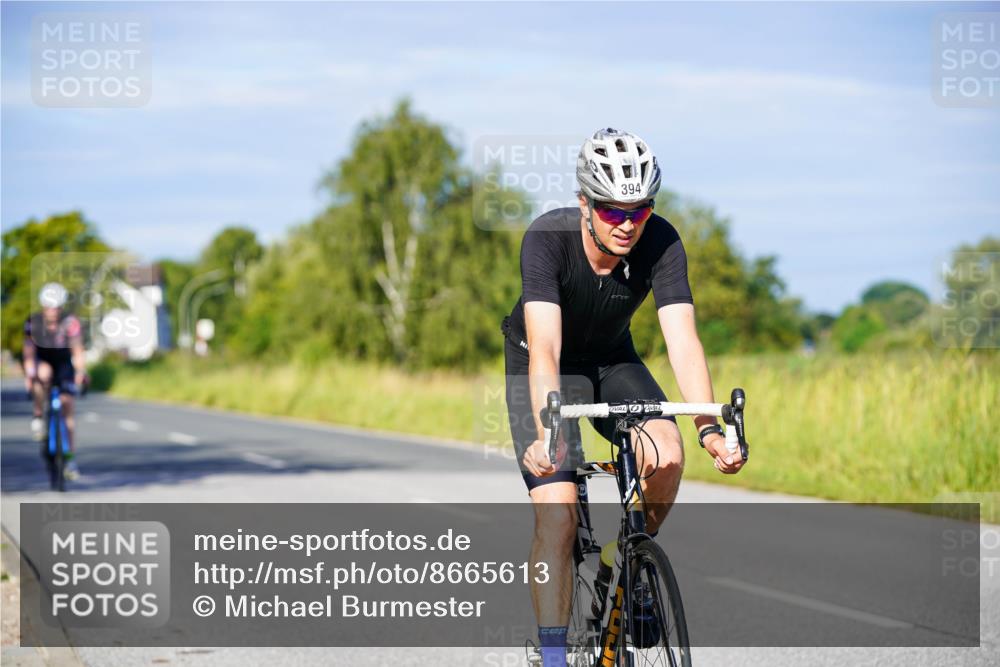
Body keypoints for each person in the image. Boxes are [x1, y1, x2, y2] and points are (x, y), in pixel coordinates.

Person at [502, 128, 746, 666]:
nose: (628, 224)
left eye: (640, 210)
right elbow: (546, 347)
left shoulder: (662, 241)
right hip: (542, 365)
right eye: (612, 210)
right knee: (558, 517)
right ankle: (553, 657)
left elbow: (683, 341)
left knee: (668, 454)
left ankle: (627, 560)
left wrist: (708, 429)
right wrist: (546, 434)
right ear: (584, 203)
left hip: (612, 360)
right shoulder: (547, 239)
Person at [23, 282, 87, 479]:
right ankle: (38, 415)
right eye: (50, 307)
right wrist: (30, 373)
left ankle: (70, 459)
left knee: (68, 407)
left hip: (63, 363)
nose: (54, 311)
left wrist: (81, 371)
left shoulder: (70, 322)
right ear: (43, 306)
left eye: (57, 307)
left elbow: (77, 350)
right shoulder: (34, 322)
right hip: (42, 360)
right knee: (43, 373)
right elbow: (29, 353)